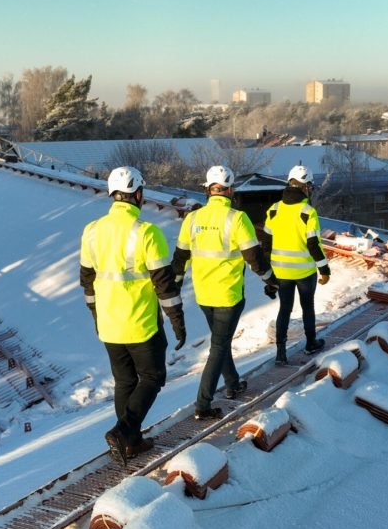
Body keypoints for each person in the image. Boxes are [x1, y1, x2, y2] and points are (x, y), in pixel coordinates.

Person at [80, 166, 186, 464]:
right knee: (152, 377)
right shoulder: (147, 232)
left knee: (124, 381)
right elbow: (164, 283)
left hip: (108, 322)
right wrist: (177, 320)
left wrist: (95, 313)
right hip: (141, 323)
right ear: (138, 194)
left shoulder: (91, 231)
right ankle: (123, 431)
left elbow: (87, 280)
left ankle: (132, 442)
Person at [172, 165, 277, 420]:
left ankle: (232, 383)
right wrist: (271, 280)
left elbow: (180, 258)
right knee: (218, 347)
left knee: (221, 341)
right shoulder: (237, 218)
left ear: (208, 189)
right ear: (230, 190)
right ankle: (203, 404)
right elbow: (254, 258)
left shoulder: (192, 219)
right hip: (228, 295)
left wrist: (173, 287)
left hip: (203, 294)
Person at [260, 164, 330, 365]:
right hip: (305, 272)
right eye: (310, 186)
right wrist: (324, 269)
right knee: (307, 307)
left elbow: (266, 243)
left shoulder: (274, 210)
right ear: (306, 187)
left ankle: (281, 354)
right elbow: (313, 245)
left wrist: (268, 274)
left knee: (285, 308)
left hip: (281, 271)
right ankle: (310, 344)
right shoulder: (308, 212)